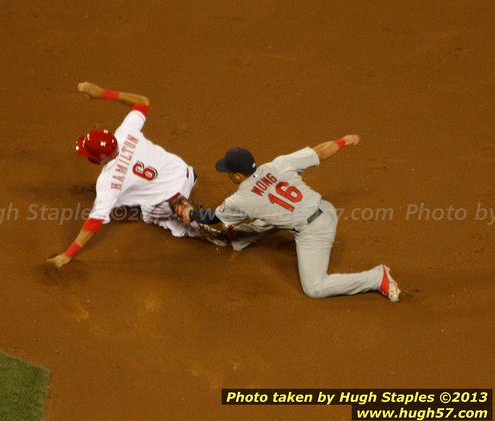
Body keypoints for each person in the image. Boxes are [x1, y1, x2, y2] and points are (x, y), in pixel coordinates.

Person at [177, 136, 401, 301]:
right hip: (324, 208)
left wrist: (189, 213)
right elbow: (319, 152)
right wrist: (344, 141)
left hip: (315, 232)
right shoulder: (278, 164)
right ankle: (240, 237)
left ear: (237, 175)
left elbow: (211, 217)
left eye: (228, 171)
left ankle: (375, 278)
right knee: (271, 212)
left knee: (315, 288)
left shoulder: (241, 199)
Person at [47, 82, 222, 269]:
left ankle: (196, 226)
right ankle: (183, 202)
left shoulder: (108, 183)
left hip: (167, 201)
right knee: (151, 184)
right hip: (183, 172)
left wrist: (68, 254)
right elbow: (142, 102)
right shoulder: (125, 133)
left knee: (149, 214)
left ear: (98, 158)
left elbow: (95, 220)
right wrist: (101, 93)